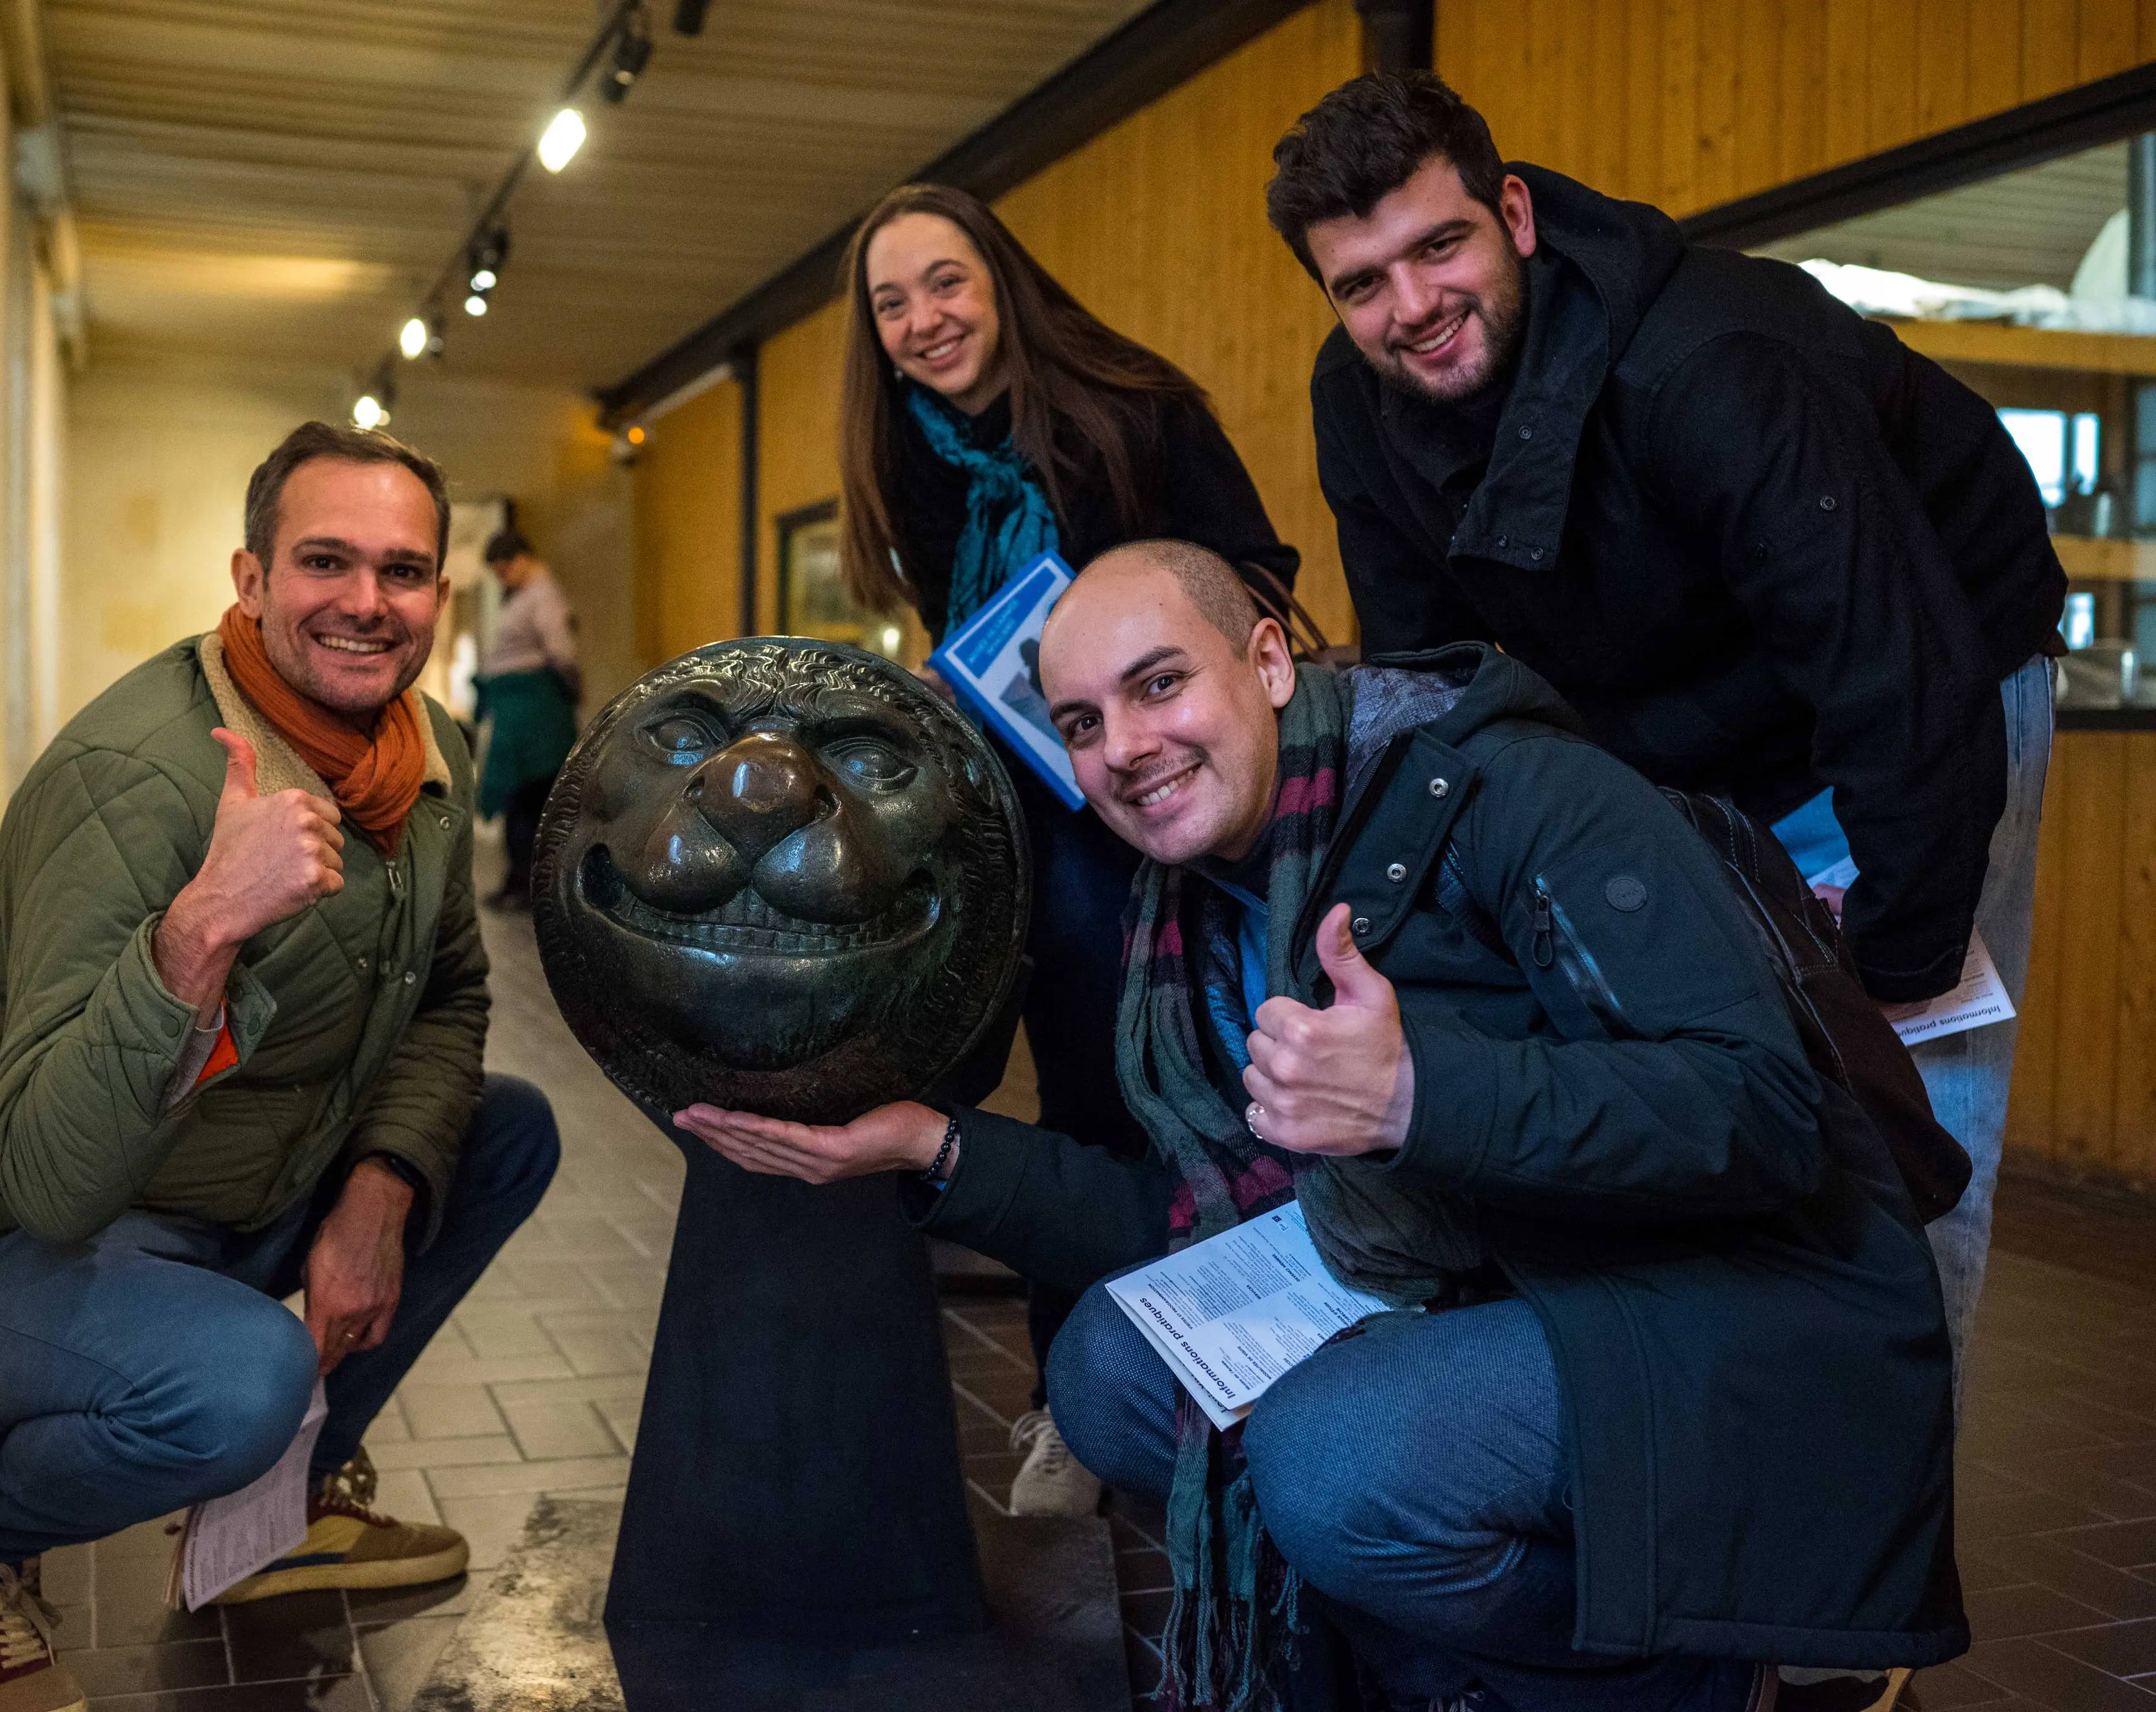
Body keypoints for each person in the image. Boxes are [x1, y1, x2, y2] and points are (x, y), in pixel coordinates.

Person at [675, 542, 1963, 1712]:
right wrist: (929, 1147)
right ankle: (1448, 1674)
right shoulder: (1188, 903)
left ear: (1269, 659)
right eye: (1079, 721)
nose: (1123, 745)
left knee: (1338, 1459)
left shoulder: (1511, 793)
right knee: (1114, 1376)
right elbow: (1187, 1218)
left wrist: (1418, 1096)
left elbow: (1758, 1111)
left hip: (1729, 1303)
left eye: (1158, 684)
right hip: (1493, 1269)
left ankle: (1684, 1682)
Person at [1273, 71, 2065, 1400]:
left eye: (1438, 245)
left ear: (1512, 213)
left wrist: (1894, 949)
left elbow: (1894, 671)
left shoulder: (1713, 359)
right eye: (1359, 284)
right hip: (1675, 708)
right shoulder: (1355, 404)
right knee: (1710, 1057)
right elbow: (1425, 679)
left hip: (1929, 670)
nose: (1408, 309)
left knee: (1903, 1096)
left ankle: (1886, 1469)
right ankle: (1734, 1406)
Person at [0, 422, 560, 1712]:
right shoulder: (134, 776)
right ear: (247, 578)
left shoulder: (427, 757)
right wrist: (200, 928)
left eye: (400, 571)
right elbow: (52, 1179)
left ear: (439, 599)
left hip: (205, 1201)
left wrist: (377, 1195)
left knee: (499, 1132)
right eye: (322, 561)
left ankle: (273, 1514)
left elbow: (447, 992)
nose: (362, 602)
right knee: (239, 1378)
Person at [836, 181, 1302, 1515]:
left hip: (1183, 816)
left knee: (1204, 1083)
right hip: (1032, 829)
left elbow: (1254, 577)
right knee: (1073, 1104)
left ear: (1000, 278)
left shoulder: (1131, 407)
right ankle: (1072, 1394)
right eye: (891, 302)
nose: (923, 319)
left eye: (944, 282)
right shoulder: (910, 460)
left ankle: (1240, 1371)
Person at [475, 526, 580, 910]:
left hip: (535, 709)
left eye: (503, 569)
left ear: (521, 559)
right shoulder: (522, 596)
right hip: (519, 707)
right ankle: (520, 880)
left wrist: (571, 689)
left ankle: (530, 885)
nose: (501, 577)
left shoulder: (543, 593)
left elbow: (562, 652)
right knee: (521, 799)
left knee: (532, 799)